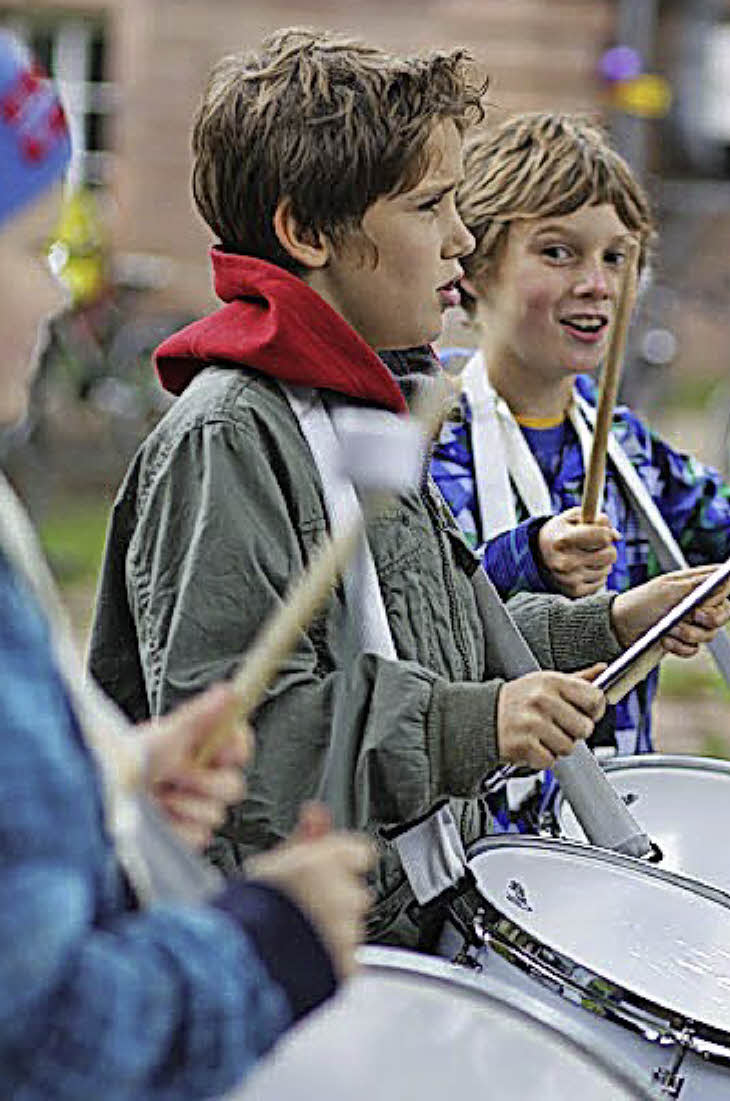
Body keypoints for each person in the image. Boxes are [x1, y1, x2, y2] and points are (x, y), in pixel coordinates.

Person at [87, 29, 730, 949]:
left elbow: (431, 636)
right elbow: (248, 753)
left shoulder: (363, 400)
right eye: (431, 206)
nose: (462, 239)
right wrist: (473, 725)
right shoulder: (232, 436)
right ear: (307, 232)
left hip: (408, 917)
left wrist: (608, 623)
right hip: (296, 952)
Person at [0, 31, 375, 1098]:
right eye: (34, 248)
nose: (60, 295)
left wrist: (112, 786)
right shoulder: (229, 432)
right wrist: (271, 946)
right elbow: (43, 1043)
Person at [431, 112, 730, 803]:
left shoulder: (620, 443)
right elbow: (425, 614)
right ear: (473, 268)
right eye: (559, 252)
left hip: (613, 807)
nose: (597, 283)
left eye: (617, 258)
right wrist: (527, 556)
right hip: (474, 818)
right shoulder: (427, 427)